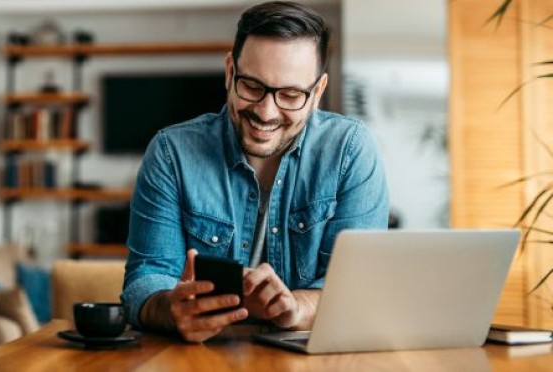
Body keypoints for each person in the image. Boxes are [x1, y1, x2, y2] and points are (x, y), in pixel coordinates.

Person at [121, 1, 389, 343]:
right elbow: (145, 280)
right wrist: (170, 309)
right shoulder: (171, 153)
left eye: (290, 94)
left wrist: (295, 308)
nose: (266, 112)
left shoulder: (350, 151)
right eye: (251, 86)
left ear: (317, 92)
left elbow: (358, 289)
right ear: (230, 71)